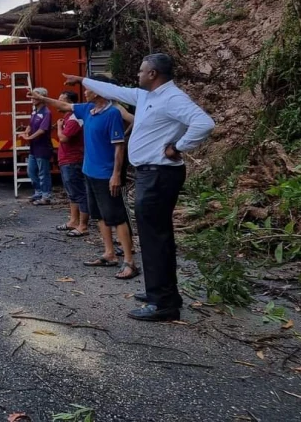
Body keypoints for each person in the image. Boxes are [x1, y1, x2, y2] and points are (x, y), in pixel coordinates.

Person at [64, 53, 215, 322]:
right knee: (153, 236)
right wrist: (82, 79)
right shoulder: (147, 96)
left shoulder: (173, 98)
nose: (138, 75)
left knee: (155, 238)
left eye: (141, 71)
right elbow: (116, 90)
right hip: (149, 174)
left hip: (160, 174)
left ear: (153, 74)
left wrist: (178, 147)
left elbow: (204, 123)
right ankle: (161, 292)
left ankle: (163, 304)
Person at [33, 77, 139, 281]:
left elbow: (119, 146)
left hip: (106, 174)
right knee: (99, 215)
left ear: (98, 91)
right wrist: (41, 98)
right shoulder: (87, 110)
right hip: (89, 171)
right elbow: (63, 104)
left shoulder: (113, 113)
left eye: (88, 89)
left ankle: (129, 261)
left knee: (116, 217)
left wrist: (116, 174)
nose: (85, 92)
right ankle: (109, 253)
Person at [55, 91, 89, 237]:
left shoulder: (75, 119)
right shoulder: (68, 118)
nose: (58, 102)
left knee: (79, 192)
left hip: (73, 159)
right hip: (66, 160)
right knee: (72, 193)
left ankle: (83, 225)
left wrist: (58, 127)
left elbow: (64, 138)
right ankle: (73, 221)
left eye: (61, 100)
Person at [19, 88, 53, 205]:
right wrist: (26, 131)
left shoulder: (46, 113)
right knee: (31, 171)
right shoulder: (35, 111)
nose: (32, 99)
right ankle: (38, 192)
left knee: (43, 172)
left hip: (43, 147)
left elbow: (42, 130)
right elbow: (30, 124)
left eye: (35, 97)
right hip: (34, 147)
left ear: (42, 98)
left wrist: (29, 137)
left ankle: (46, 195)